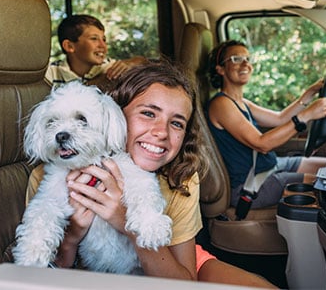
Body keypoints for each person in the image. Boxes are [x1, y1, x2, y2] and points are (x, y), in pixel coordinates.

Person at [26, 59, 277, 288]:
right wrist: (72, 237)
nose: (161, 132)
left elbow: (183, 282)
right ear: (117, 114)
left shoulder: (182, 177)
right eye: (148, 113)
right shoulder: (53, 173)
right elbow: (48, 272)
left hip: (174, 260)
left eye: (176, 123)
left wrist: (128, 225)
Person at [207, 40, 326, 209]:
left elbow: (280, 118)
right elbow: (262, 144)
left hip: (271, 166)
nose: (245, 64)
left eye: (248, 59)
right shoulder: (221, 104)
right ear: (220, 69)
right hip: (251, 185)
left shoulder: (241, 102)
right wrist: (307, 115)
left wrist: (309, 94)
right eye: (236, 59)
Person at [46, 14, 146, 89]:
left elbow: (143, 63)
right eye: (94, 39)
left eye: (104, 39)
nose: (103, 46)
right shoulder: (51, 73)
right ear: (69, 46)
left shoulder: (109, 67)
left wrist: (132, 62)